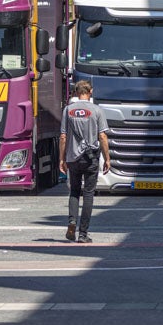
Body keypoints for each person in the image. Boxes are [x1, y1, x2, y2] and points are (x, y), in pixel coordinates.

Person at [59, 80, 110, 243]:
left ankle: (72, 222)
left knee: (74, 191)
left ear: (75, 92)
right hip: (90, 158)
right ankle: (83, 234)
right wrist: (107, 158)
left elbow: (63, 136)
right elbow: (102, 136)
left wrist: (61, 158)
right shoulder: (97, 110)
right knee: (88, 194)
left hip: (73, 158)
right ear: (91, 92)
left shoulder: (68, 110)